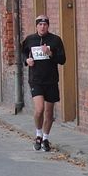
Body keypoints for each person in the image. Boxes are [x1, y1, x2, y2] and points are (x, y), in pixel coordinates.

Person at [21, 15, 66, 152]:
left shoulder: (55, 40)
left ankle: (45, 138)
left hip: (51, 80)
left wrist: (50, 53)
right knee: (39, 109)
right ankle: (38, 135)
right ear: (36, 26)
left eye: (45, 24)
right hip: (36, 80)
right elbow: (22, 53)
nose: (42, 27)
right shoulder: (30, 39)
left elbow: (62, 60)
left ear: (48, 26)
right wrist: (26, 61)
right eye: (40, 24)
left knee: (49, 112)